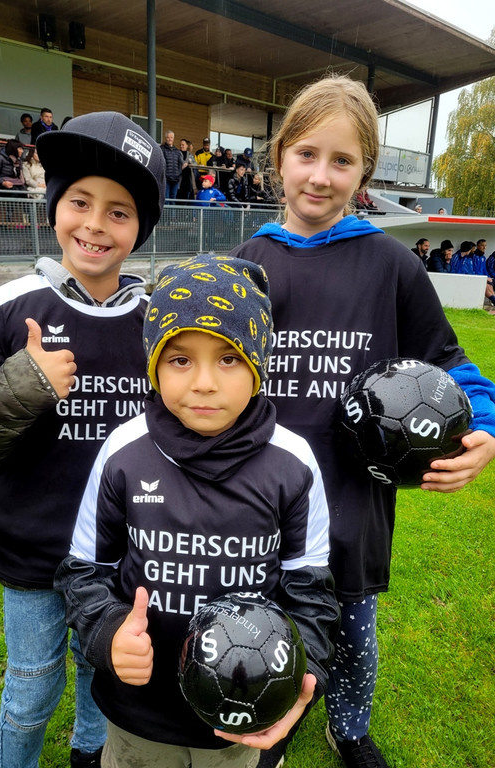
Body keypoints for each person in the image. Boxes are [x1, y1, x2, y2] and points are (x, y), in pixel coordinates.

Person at [229, 73, 495, 768]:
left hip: (353, 502)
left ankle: (348, 729)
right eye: (307, 154)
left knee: (353, 630)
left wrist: (485, 431)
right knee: (266, 627)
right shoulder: (247, 264)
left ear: (365, 171)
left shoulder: (390, 265)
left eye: (342, 161)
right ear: (279, 156)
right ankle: (271, 726)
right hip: (259, 502)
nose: (321, 176)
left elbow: (453, 366)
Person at [0, 111, 166, 768]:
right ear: (54, 208)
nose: (95, 224)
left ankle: (88, 758)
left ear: (139, 230)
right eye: (80, 202)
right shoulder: (7, 308)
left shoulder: (158, 323)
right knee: (31, 691)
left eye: (119, 212)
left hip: (119, 552)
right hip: (33, 550)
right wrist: (25, 384)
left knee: (101, 680)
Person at [54, 253, 340, 768]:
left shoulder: (294, 462)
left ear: (258, 363)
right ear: (154, 365)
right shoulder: (125, 450)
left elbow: (311, 591)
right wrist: (109, 630)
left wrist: (304, 674)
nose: (204, 382)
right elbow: (82, 570)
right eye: (180, 359)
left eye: (228, 357)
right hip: (140, 716)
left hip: (246, 725)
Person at [160, 130, 183, 200]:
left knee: (173, 198)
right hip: (166, 179)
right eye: (168, 137)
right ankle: (166, 212)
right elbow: (161, 164)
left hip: (175, 179)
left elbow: (180, 164)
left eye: (171, 137)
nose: (170, 139)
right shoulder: (162, 149)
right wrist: (164, 174)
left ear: (173, 138)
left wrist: (178, 174)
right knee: (166, 198)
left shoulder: (177, 151)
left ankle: (172, 212)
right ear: (165, 138)